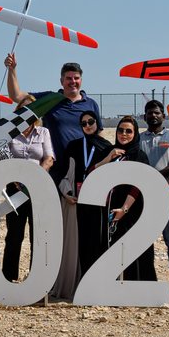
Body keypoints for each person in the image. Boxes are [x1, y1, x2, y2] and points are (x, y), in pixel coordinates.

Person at [7, 53, 94, 294]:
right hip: (53, 174)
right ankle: (49, 279)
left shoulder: (91, 104)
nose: (72, 82)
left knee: (78, 226)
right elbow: (18, 96)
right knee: (51, 228)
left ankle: (76, 278)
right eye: (68, 78)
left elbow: (95, 134)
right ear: (61, 80)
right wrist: (12, 69)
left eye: (76, 78)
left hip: (80, 172)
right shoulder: (51, 99)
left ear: (81, 80)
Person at [0, 106, 56, 289]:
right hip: (14, 188)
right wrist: (15, 177)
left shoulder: (43, 132)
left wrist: (34, 178)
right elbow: (4, 157)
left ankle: (36, 280)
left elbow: (49, 158)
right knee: (14, 235)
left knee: (37, 236)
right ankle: (8, 278)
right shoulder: (10, 134)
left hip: (37, 189)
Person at [137, 99, 169, 296]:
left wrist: (155, 177)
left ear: (163, 116)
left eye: (157, 112)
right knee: (144, 241)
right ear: (144, 117)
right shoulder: (140, 138)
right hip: (144, 195)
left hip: (167, 193)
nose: (153, 115)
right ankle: (147, 281)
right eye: (150, 113)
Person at [59, 111, 115, 282]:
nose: (88, 126)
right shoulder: (74, 146)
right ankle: (80, 282)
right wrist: (66, 193)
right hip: (77, 201)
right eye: (83, 123)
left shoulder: (107, 147)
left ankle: (96, 282)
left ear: (97, 123)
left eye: (91, 121)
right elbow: (63, 173)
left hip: (98, 202)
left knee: (97, 240)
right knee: (79, 242)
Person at [106, 115, 154, 282]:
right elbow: (93, 174)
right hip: (111, 211)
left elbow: (138, 185)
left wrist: (124, 209)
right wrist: (108, 158)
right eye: (120, 130)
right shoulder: (110, 152)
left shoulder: (139, 156)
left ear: (135, 134)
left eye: (128, 131)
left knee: (136, 251)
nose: (124, 134)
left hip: (132, 211)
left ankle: (138, 288)